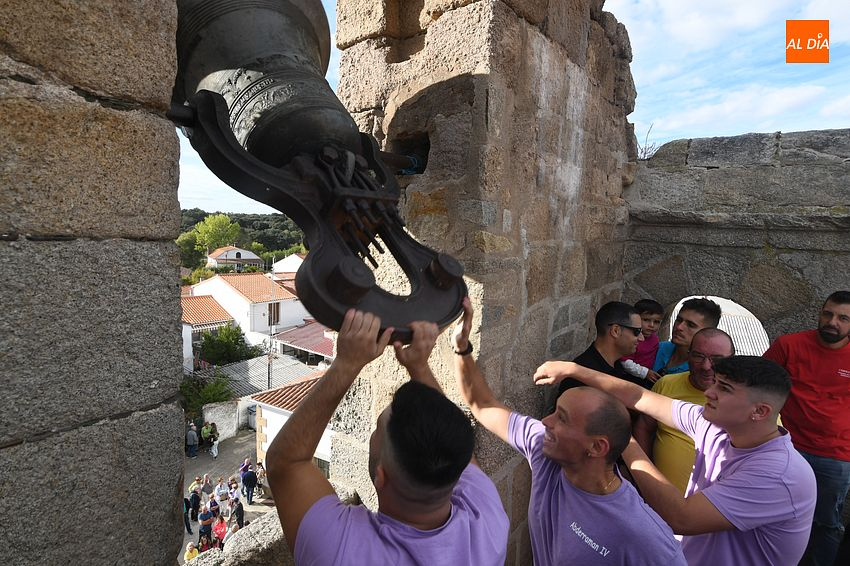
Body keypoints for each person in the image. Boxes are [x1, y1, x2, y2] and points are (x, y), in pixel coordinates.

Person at [266, 310, 509, 565]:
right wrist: (419, 366)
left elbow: (286, 462)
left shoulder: (340, 551)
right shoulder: (487, 520)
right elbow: (450, 440)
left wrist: (346, 365)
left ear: (381, 477)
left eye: (377, 429)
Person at [452, 298, 684, 565]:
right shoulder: (543, 449)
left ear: (597, 447)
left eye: (561, 417)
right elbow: (483, 404)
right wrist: (461, 347)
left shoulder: (644, 536)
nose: (545, 421)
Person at [535, 355, 817, 565]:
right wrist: (575, 370)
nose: (709, 392)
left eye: (724, 388)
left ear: (760, 411)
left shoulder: (781, 475)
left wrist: (621, 439)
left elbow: (682, 517)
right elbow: (640, 397)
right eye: (715, 383)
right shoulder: (715, 426)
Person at [763, 290, 850, 566]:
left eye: (843, 318)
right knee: (771, 515)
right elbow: (759, 383)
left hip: (836, 456)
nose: (832, 322)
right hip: (786, 447)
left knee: (826, 522)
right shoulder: (789, 345)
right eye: (828, 314)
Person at [633, 328, 735, 493]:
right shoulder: (666, 384)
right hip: (656, 499)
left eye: (717, 359)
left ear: (732, 360)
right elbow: (644, 426)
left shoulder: (748, 400)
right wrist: (644, 476)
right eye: (698, 356)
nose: (706, 366)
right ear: (688, 356)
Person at [557, 301, 647, 398]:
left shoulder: (616, 365)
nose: (642, 338)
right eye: (637, 331)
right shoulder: (579, 380)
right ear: (615, 331)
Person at [653, 297, 721, 377]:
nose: (679, 327)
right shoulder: (657, 347)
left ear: (707, 332)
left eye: (691, 325)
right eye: (679, 320)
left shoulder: (702, 371)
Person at [621, 299, 665, 383]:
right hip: (627, 377)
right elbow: (624, 362)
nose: (651, 325)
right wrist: (645, 372)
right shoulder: (631, 337)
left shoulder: (655, 339)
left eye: (656, 322)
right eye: (646, 320)